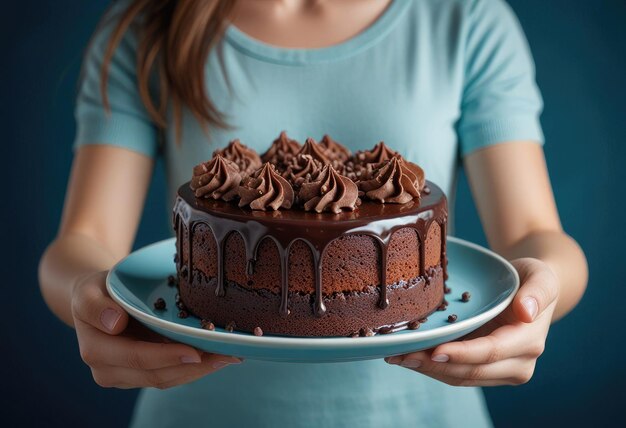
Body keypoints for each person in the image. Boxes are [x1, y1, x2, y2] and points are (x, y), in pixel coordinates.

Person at [38, 0, 588, 427]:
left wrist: (538, 293)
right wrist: (86, 297)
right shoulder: (150, 25)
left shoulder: (465, 18)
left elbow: (535, 234)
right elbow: (83, 241)